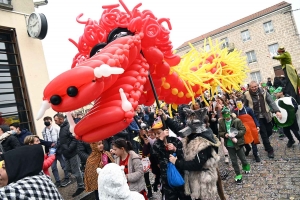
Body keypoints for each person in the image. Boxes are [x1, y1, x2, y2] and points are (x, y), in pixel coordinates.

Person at [167, 107, 224, 200]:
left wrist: (176, 162)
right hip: (194, 180)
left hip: (203, 182)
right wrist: (166, 118)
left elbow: (196, 164)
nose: (187, 126)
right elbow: (179, 130)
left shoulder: (203, 141)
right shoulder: (191, 136)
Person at [151, 114, 191, 200]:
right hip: (167, 180)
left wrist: (175, 149)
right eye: (155, 134)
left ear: (166, 131)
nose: (157, 136)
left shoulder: (175, 140)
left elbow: (184, 155)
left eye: (158, 133)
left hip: (180, 176)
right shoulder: (156, 144)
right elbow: (154, 154)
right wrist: (161, 139)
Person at [244, 81, 282, 158]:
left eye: (255, 86)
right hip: (256, 117)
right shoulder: (246, 94)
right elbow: (244, 106)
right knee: (263, 133)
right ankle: (269, 150)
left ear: (258, 86)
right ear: (249, 87)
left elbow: (271, 102)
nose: (254, 88)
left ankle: (266, 142)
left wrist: (277, 111)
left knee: (269, 131)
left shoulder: (264, 92)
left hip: (266, 115)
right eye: (252, 87)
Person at [54, 113, 85, 197]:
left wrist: (68, 148)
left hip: (73, 153)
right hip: (66, 154)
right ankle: (84, 177)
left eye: (56, 120)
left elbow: (75, 139)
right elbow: (64, 140)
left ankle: (81, 186)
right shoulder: (62, 128)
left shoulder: (68, 127)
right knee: (68, 169)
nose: (55, 122)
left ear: (61, 119)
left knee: (76, 171)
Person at [219, 107, 250, 184]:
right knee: (234, 161)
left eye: (227, 115)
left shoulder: (237, 121)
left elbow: (243, 130)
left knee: (242, 158)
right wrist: (224, 134)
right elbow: (220, 132)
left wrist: (235, 135)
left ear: (229, 114)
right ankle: (238, 174)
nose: (226, 117)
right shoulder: (221, 122)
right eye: (224, 116)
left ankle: (245, 166)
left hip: (238, 143)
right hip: (229, 145)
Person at [42, 116, 68, 187]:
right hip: (50, 152)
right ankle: (58, 181)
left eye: (48, 120)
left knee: (63, 165)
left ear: (51, 121)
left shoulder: (57, 128)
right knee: (53, 167)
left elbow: (60, 139)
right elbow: (45, 141)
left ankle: (67, 178)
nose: (46, 121)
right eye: (45, 120)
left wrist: (56, 147)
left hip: (58, 149)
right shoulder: (43, 131)